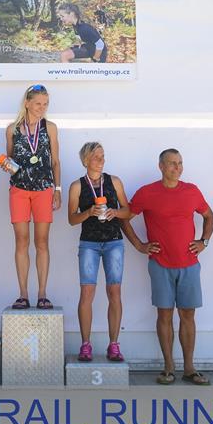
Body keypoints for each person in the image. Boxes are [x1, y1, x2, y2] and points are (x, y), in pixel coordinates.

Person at [121, 148, 213, 385]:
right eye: (172, 163)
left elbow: (209, 216)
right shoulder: (147, 192)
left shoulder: (192, 190)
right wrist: (139, 245)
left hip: (189, 264)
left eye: (180, 163)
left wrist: (204, 242)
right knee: (164, 314)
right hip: (160, 264)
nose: (177, 167)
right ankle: (168, 368)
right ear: (161, 166)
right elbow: (124, 218)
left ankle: (190, 368)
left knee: (188, 315)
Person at [0, 84, 61, 309]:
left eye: (45, 104)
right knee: (22, 240)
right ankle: (23, 294)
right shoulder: (12, 129)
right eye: (38, 103)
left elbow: (55, 161)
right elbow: (10, 159)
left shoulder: (50, 128)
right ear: (27, 103)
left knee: (42, 241)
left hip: (44, 189)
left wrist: (57, 189)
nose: (42, 108)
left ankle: (42, 294)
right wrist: (6, 165)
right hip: (19, 190)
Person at [68, 142, 130, 362]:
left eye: (103, 156)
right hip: (89, 244)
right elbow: (71, 219)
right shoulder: (77, 186)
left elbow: (128, 210)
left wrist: (116, 212)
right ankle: (85, 344)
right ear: (86, 160)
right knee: (87, 293)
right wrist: (88, 212)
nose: (102, 161)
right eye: (96, 157)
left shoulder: (114, 181)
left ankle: (114, 344)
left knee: (114, 292)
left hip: (114, 242)